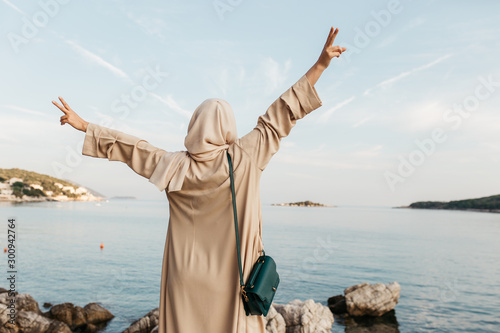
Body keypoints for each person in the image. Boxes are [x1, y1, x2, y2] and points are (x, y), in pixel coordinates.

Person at [53, 27, 346, 333]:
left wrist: (86, 126)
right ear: (228, 128)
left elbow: (131, 148)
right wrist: (320, 66)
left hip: (185, 280)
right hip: (232, 281)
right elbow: (281, 114)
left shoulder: (172, 165)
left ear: (194, 125)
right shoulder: (244, 157)